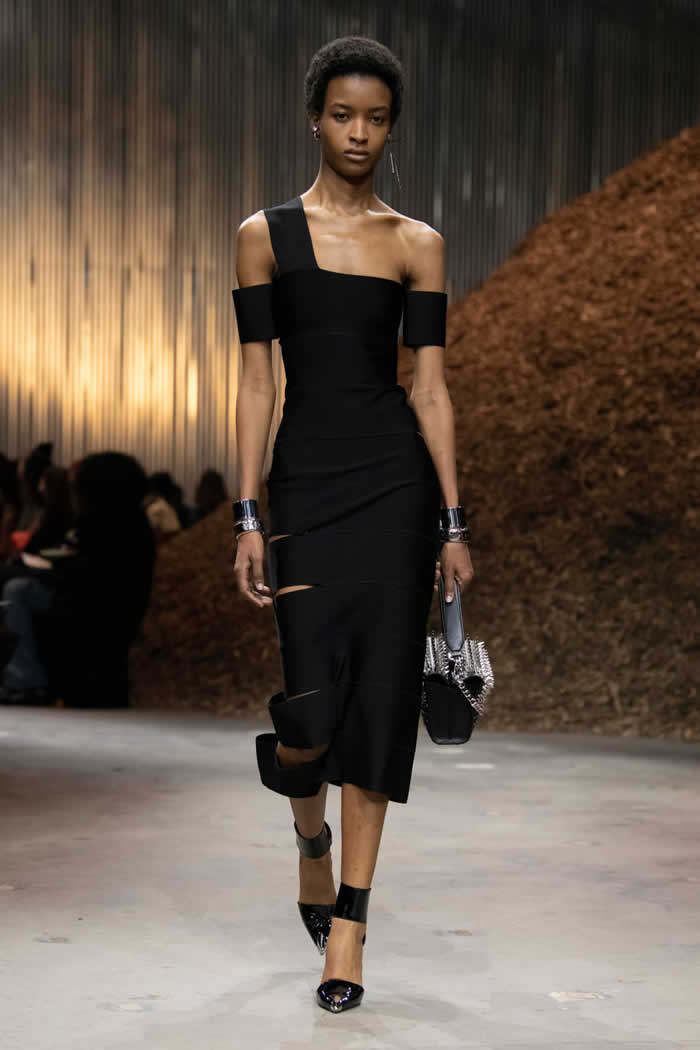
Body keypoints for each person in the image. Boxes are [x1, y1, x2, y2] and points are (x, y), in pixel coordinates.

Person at [231, 36, 474, 1014]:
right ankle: (310, 841)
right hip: (305, 485)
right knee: (309, 708)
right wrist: (248, 511)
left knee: (378, 705)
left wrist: (452, 522)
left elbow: (431, 389)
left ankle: (350, 930)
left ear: (391, 127)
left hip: (394, 492)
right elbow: (256, 382)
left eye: (376, 118)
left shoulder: (417, 244)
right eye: (343, 115)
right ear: (315, 119)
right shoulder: (263, 235)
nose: (360, 133)